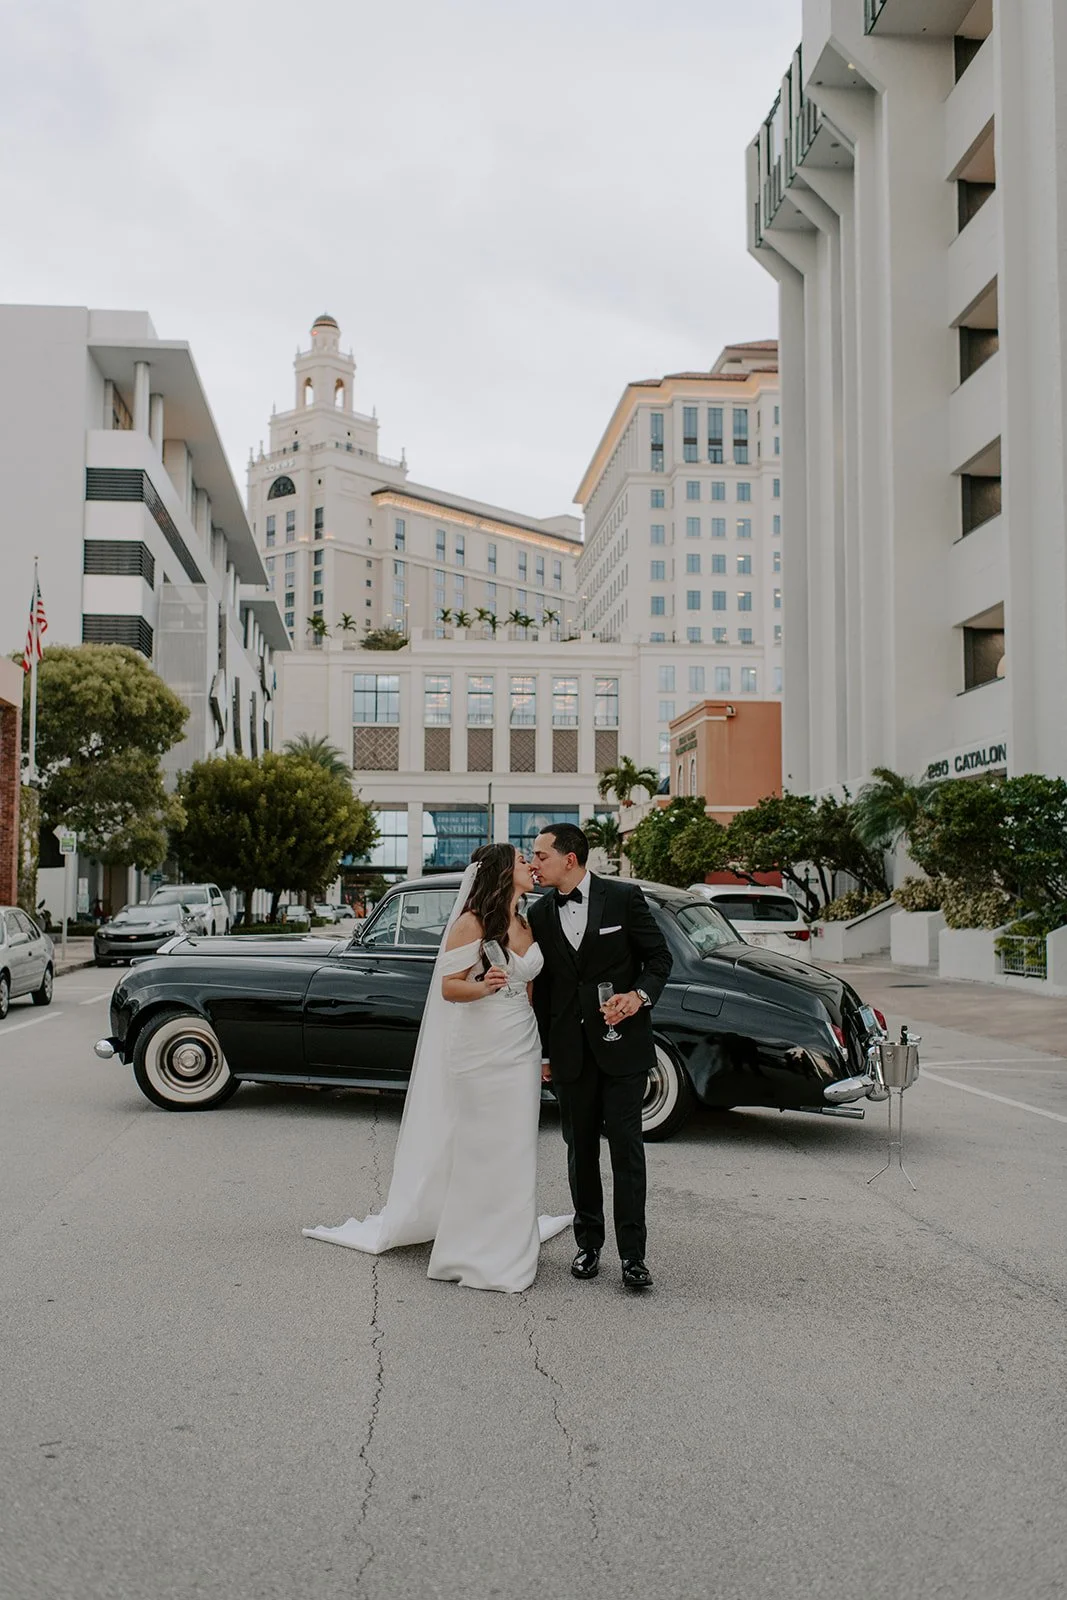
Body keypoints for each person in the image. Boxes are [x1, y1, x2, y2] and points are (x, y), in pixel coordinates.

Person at [303, 843, 571, 1292]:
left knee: (518, 1144)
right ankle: (471, 1249)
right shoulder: (470, 924)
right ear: (504, 872)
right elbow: (449, 989)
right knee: (481, 1145)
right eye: (523, 860)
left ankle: (512, 1239)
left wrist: (542, 1051)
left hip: (521, 1045)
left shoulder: (526, 921)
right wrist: (484, 986)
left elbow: (528, 993)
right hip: (481, 1046)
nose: (530, 865)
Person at [528, 824, 672, 1291]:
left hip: (622, 1047)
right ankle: (587, 1245)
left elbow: (659, 960)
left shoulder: (623, 898)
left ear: (570, 858)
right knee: (580, 1152)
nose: (534, 864)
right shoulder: (540, 913)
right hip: (570, 1053)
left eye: (541, 855)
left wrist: (639, 997)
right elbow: (544, 991)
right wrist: (546, 1053)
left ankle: (634, 1256)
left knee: (627, 1154)